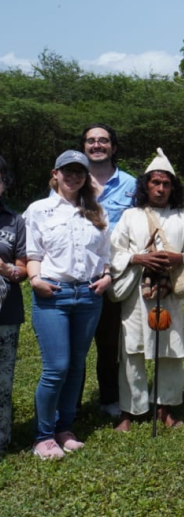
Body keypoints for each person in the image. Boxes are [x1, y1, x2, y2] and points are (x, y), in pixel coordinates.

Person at [109, 148, 184, 431]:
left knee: (170, 350)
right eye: (156, 182)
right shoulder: (131, 216)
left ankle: (166, 408)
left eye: (166, 183)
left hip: (169, 294)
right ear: (146, 185)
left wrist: (181, 258)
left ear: (172, 187)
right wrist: (139, 257)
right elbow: (115, 250)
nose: (161, 188)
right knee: (132, 349)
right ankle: (131, 411)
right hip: (137, 296)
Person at [24, 151, 112, 459]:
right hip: (53, 295)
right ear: (55, 173)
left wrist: (108, 276)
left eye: (79, 172)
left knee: (76, 366)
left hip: (89, 296)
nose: (73, 177)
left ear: (86, 176)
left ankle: (64, 428)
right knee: (56, 367)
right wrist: (35, 280)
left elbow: (104, 256)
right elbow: (32, 253)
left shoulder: (97, 211)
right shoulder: (39, 210)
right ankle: (43, 435)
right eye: (67, 171)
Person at [79, 124, 137, 419]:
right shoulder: (72, 180)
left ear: (114, 147)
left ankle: (109, 399)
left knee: (110, 342)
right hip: (76, 276)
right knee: (74, 345)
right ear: (84, 146)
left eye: (103, 141)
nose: (97, 145)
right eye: (91, 141)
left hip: (114, 276)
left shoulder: (131, 185)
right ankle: (71, 404)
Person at [0, 155, 27, 454]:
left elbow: (22, 269)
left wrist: (6, 269)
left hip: (6, 313)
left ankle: (2, 439)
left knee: (2, 383)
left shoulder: (14, 220)